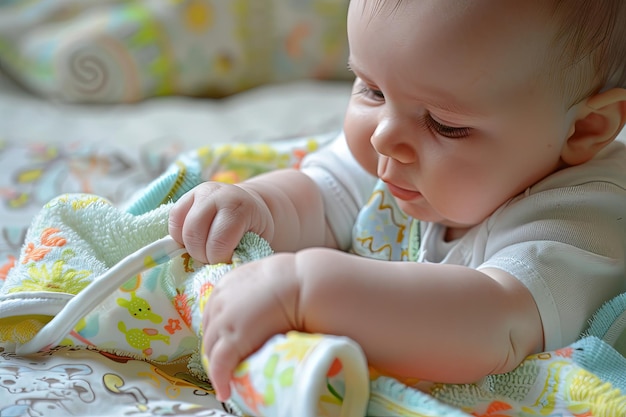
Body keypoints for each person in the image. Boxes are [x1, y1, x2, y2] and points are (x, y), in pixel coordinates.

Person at [169, 0, 626, 402]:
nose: (384, 137)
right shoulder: (398, 137)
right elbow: (323, 193)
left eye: (444, 124)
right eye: (371, 90)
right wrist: (255, 205)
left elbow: (492, 325)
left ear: (583, 129)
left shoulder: (585, 219)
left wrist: (305, 289)